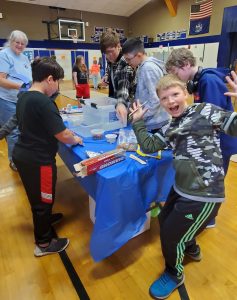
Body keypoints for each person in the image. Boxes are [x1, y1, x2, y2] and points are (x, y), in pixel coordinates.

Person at [130, 74, 237, 299]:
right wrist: (138, 121)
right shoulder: (171, 125)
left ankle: (174, 273)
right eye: (164, 98)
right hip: (180, 188)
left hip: (204, 193)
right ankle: (190, 246)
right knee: (163, 219)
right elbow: (149, 146)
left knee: (170, 235)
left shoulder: (204, 111)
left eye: (175, 94)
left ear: (186, 94)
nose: (170, 101)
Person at [12, 57, 83, 257]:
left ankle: (45, 220)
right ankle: (43, 243)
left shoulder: (24, 96)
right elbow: (63, 135)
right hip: (39, 161)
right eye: (58, 81)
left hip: (24, 155)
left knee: (39, 198)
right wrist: (76, 139)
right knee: (43, 200)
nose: (58, 86)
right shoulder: (43, 102)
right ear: (50, 79)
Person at [165, 47, 237, 228]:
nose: (175, 78)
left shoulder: (208, 81)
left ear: (186, 65)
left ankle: (208, 218)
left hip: (221, 142)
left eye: (175, 72)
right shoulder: (199, 81)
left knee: (213, 180)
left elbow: (211, 116)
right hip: (213, 139)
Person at [0, 30, 32, 171]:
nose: (20, 45)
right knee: (13, 131)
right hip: (7, 99)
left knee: (24, 129)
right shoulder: (4, 55)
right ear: (11, 41)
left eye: (23, 43)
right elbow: (1, 79)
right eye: (17, 42)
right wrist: (23, 86)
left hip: (22, 99)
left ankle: (22, 155)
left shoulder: (24, 58)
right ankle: (14, 161)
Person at [122, 38, 169, 132]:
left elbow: (156, 99)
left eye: (128, 59)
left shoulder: (148, 68)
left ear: (138, 55)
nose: (127, 62)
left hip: (155, 123)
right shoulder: (142, 66)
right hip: (151, 120)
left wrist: (140, 116)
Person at [100, 30, 136, 125]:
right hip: (116, 102)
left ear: (118, 46)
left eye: (111, 52)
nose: (108, 56)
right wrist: (107, 76)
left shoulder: (124, 61)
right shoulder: (111, 59)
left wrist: (120, 103)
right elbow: (110, 68)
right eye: (106, 53)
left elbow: (123, 84)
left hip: (128, 107)